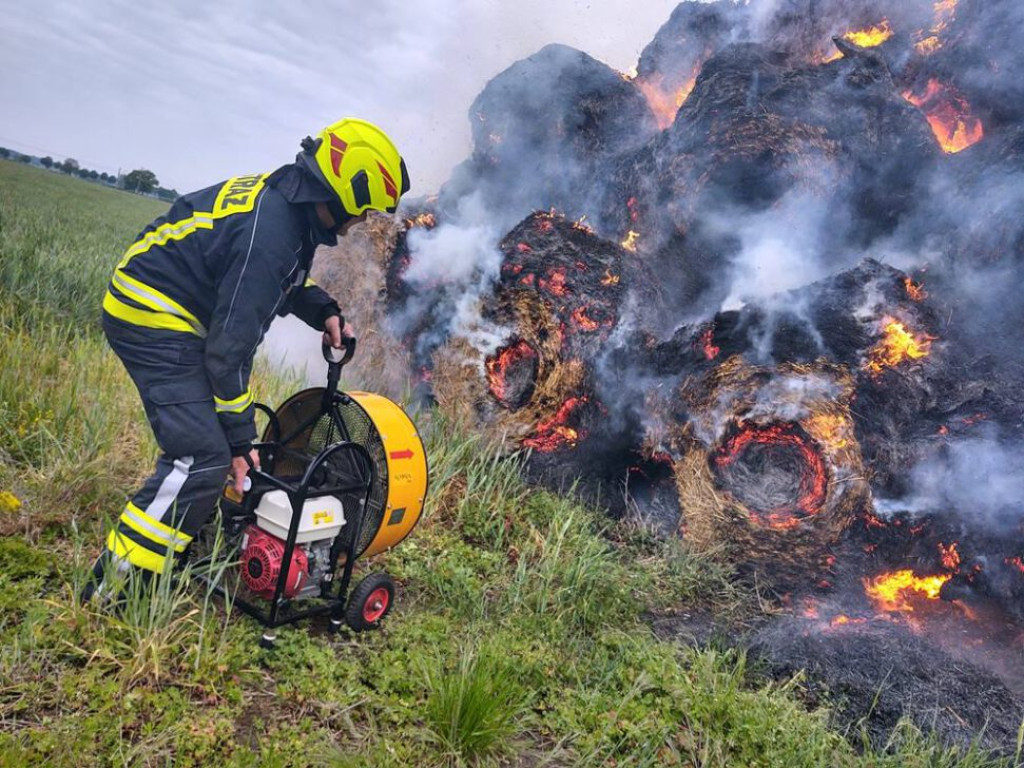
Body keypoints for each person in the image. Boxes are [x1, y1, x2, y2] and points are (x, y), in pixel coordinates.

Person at [83, 118, 410, 601]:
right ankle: (113, 590)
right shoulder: (273, 233)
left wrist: (325, 312)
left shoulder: (285, 208)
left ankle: (182, 540)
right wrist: (241, 441)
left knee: (216, 447)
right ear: (344, 195)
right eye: (363, 212)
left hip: (175, 313)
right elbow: (228, 351)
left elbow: (280, 280)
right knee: (202, 457)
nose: (361, 223)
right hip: (151, 317)